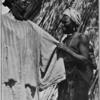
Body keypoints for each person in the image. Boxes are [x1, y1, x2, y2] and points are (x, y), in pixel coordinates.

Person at [57, 8, 96, 100]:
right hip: (66, 82)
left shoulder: (81, 37)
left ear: (74, 23)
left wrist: (67, 50)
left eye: (65, 22)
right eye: (62, 22)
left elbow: (85, 59)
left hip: (78, 84)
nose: (62, 25)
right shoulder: (65, 40)